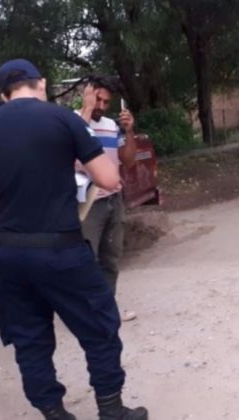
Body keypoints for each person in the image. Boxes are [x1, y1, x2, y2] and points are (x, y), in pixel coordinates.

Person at [0, 59, 147, 420]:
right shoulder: (63, 119)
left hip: (8, 255)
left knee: (30, 338)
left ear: (3, 94)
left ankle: (54, 412)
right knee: (99, 325)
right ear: (42, 83)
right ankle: (111, 410)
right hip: (59, 249)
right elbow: (109, 179)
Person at [77, 76, 137, 322]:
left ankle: (107, 309)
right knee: (85, 260)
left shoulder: (112, 125)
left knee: (110, 258)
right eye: (97, 99)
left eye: (106, 101)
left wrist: (129, 131)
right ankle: (86, 313)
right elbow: (69, 153)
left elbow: (129, 160)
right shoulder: (70, 121)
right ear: (87, 94)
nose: (101, 105)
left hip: (113, 199)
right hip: (87, 202)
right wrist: (87, 110)